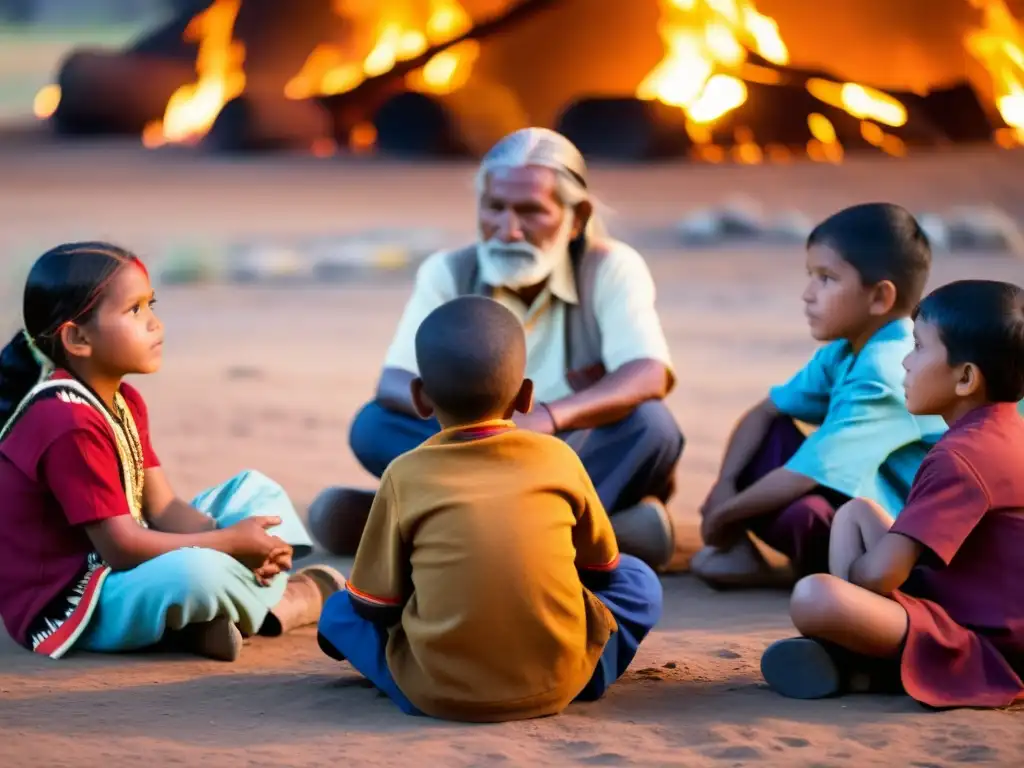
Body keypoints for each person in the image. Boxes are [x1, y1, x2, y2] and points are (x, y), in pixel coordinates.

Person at [313, 128, 683, 569]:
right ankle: (596, 534)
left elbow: (648, 373)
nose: (507, 230)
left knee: (650, 426)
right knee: (375, 425)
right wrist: (488, 428)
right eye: (495, 208)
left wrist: (547, 418)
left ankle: (425, 527)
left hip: (566, 448)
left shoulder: (610, 267)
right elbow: (394, 381)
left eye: (530, 212)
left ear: (577, 217)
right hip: (468, 445)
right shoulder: (450, 270)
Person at [316, 296, 663, 721]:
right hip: (563, 682)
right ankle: (596, 668)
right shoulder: (559, 457)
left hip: (438, 694)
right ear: (527, 396)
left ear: (420, 400)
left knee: (339, 609)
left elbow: (377, 605)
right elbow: (603, 572)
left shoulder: (403, 474)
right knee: (639, 580)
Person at [0, 242, 343, 662]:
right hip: (79, 602)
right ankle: (282, 605)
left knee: (258, 494)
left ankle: (201, 623)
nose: (155, 324)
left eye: (152, 305)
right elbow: (121, 547)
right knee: (197, 574)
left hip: (129, 566)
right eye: (134, 311)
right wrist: (230, 544)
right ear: (78, 337)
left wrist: (251, 543)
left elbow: (162, 507)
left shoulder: (123, 400)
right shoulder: (64, 422)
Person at [761, 279, 1024, 708]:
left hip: (984, 644)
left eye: (918, 347)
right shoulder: (1006, 432)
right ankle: (854, 655)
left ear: (965, 378)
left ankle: (858, 658)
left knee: (816, 595)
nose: (904, 361)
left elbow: (882, 575)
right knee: (856, 513)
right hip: (973, 607)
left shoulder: (961, 457)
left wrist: (857, 585)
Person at [694, 203, 946, 588]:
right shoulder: (844, 350)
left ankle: (830, 575)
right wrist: (725, 484)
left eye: (826, 279)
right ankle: (772, 558)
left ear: (879, 297)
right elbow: (765, 411)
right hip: (860, 498)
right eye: (810, 276)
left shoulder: (889, 367)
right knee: (770, 436)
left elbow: (802, 476)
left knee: (803, 514)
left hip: (903, 532)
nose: (808, 294)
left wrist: (724, 515)